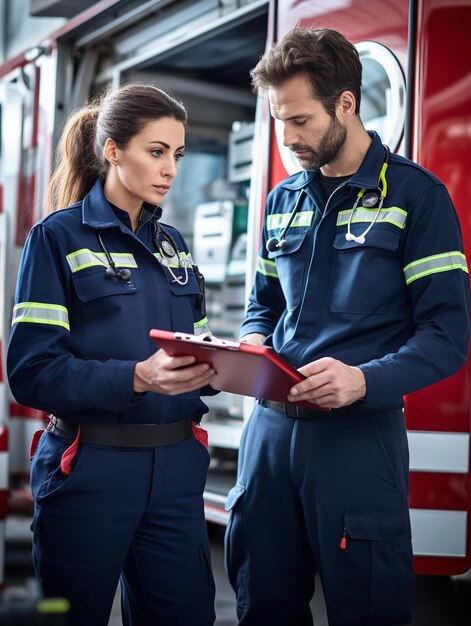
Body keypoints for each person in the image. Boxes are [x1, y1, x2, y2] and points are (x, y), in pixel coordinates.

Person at [224, 27, 470, 626]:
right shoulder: (283, 199)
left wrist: (363, 380)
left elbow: (448, 335)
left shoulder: (418, 197)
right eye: (280, 120)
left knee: (366, 608)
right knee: (263, 603)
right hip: (269, 437)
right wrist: (254, 340)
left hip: (357, 437)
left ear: (346, 104)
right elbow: (264, 303)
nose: (288, 139)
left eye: (301, 120)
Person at [7, 83, 218, 626]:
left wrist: (231, 364)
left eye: (178, 154)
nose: (170, 167)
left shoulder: (175, 244)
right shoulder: (57, 238)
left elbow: (195, 342)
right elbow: (31, 372)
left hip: (175, 473)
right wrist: (137, 379)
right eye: (156, 151)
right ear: (112, 151)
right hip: (91, 468)